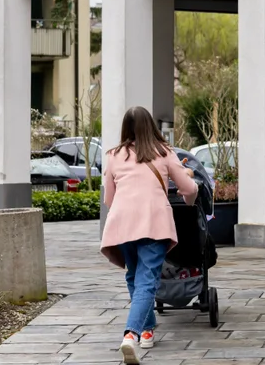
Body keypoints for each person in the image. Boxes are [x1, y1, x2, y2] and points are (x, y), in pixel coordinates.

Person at [100, 106, 199, 364]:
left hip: (123, 224)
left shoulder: (114, 155)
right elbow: (189, 188)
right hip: (154, 224)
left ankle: (146, 330)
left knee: (135, 276)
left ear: (126, 127)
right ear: (150, 126)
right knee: (146, 281)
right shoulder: (164, 152)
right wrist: (189, 202)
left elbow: (109, 199)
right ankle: (131, 334)